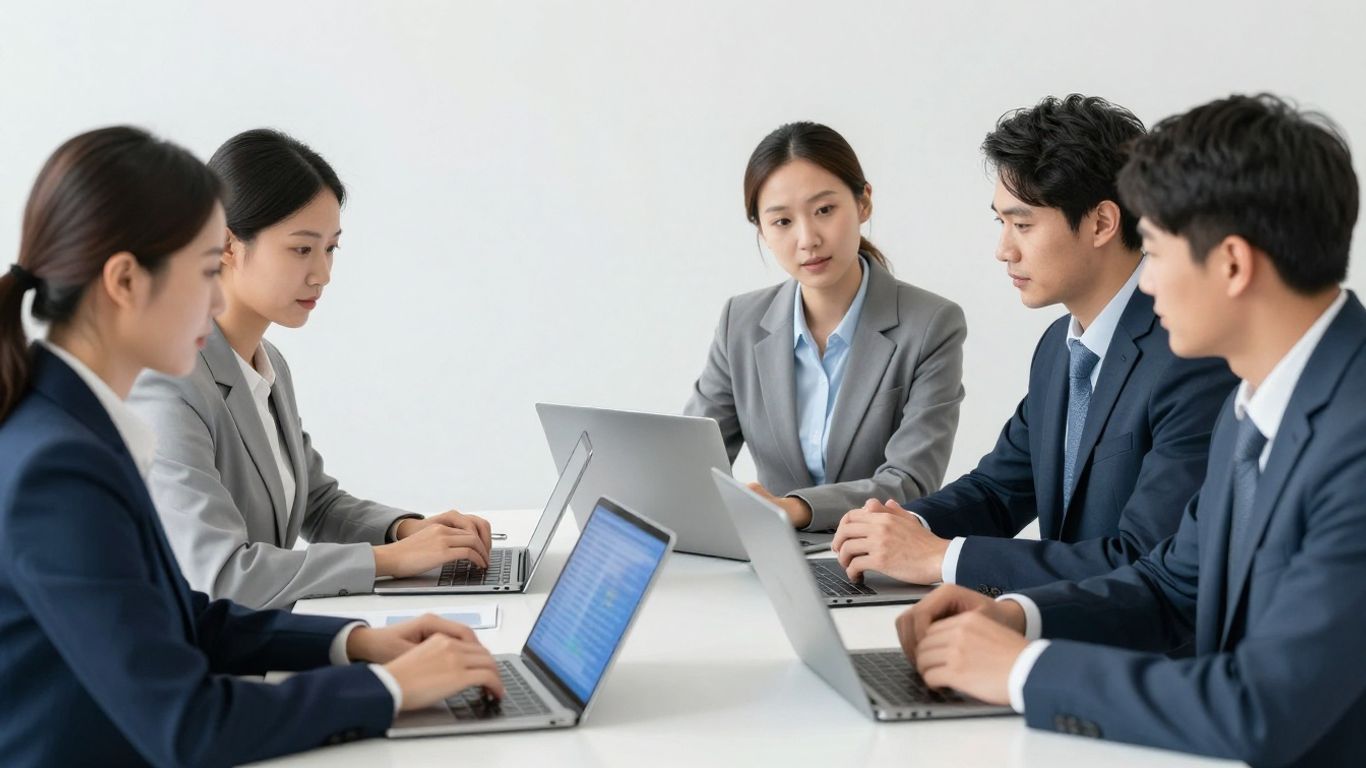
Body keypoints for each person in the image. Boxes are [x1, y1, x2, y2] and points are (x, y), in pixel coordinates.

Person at [0, 126, 504, 767]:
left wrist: (355, 644)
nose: (217, 299)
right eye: (208, 270)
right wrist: (386, 689)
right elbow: (189, 725)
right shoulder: (58, 467)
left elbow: (186, 617)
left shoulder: (73, 430)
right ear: (126, 281)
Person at [897, 94, 1366, 766]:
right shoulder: (1257, 404)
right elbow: (1172, 585)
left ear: (1232, 264)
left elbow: (1261, 707)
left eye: (1153, 250)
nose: (1146, 283)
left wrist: (1023, 671)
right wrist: (1015, 619)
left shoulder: (1354, 438)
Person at [832, 95, 1235, 591]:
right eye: (1001, 223)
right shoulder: (1058, 348)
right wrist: (899, 528)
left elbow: (1145, 559)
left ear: (1102, 223)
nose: (1003, 250)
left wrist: (943, 560)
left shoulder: (1191, 354)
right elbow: (998, 491)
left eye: (1022, 224)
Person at [129, 129, 491, 609]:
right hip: (202, 663)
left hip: (265, 640)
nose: (323, 273)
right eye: (302, 249)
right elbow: (221, 574)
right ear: (228, 245)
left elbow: (314, 503)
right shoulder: (169, 382)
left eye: (331, 248)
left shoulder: (266, 361)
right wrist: (391, 560)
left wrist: (408, 531)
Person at [686, 121, 967, 532]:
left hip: (880, 564)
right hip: (770, 558)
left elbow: (910, 481)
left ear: (863, 202)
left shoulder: (930, 324)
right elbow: (694, 460)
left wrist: (793, 509)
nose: (808, 239)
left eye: (824, 210)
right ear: (761, 230)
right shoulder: (740, 323)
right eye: (782, 221)